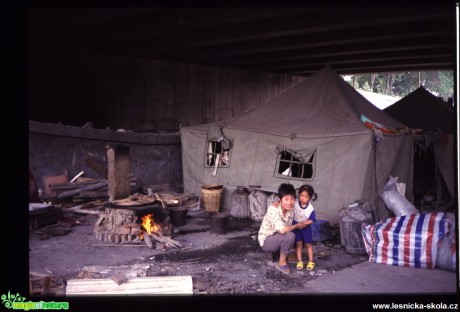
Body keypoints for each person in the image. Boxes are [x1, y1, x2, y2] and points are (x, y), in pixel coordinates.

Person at [257, 183, 310, 275]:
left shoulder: (291, 209)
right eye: (286, 199)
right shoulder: (273, 209)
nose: (289, 202)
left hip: (278, 237)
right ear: (280, 200)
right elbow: (282, 230)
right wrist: (297, 226)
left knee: (302, 236)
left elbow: (304, 205)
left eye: (292, 199)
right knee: (290, 235)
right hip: (267, 241)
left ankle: (286, 253)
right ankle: (282, 262)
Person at [293, 184, 318, 271]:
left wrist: (304, 224)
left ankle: (311, 262)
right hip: (296, 227)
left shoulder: (310, 208)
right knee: (298, 244)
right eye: (301, 195)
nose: (303, 198)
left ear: (310, 198)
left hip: (306, 228)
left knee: (308, 245)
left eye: (306, 197)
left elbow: (312, 220)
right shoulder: (295, 203)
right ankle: (300, 261)